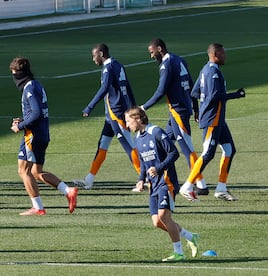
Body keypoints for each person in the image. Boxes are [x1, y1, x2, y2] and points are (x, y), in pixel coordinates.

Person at [125, 106, 199, 262]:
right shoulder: (137, 138)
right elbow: (145, 163)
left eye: (128, 121)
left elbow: (174, 153)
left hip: (166, 181)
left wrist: (158, 168)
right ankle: (190, 236)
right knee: (157, 222)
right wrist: (141, 179)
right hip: (153, 184)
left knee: (164, 216)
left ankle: (178, 253)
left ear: (138, 118)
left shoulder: (156, 132)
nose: (127, 125)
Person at [9, 56, 78, 216]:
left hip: (32, 135)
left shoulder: (29, 88)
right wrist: (24, 119)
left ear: (19, 73)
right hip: (43, 133)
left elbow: (36, 113)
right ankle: (68, 191)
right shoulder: (36, 84)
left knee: (23, 171)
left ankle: (38, 207)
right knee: (36, 171)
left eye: (14, 74)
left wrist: (20, 125)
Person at [138, 38, 208, 195]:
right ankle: (159, 178)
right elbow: (190, 84)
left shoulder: (166, 64)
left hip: (178, 111)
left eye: (152, 52)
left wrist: (144, 107)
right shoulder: (179, 59)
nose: (151, 56)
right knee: (164, 142)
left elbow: (161, 90)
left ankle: (201, 184)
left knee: (187, 147)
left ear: (160, 49)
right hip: (180, 110)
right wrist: (195, 107)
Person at [179, 43, 245, 202]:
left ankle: (221, 188)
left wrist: (197, 111)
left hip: (218, 118)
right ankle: (187, 186)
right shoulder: (212, 72)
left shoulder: (205, 70)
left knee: (229, 149)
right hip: (213, 118)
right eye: (223, 54)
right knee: (208, 153)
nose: (225, 56)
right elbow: (214, 96)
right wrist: (235, 95)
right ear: (215, 54)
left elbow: (195, 92)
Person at [73, 43, 140, 189]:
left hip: (117, 114)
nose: (93, 59)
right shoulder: (117, 64)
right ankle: (89, 180)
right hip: (111, 116)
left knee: (129, 146)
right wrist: (134, 107)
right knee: (102, 145)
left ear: (101, 54)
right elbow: (128, 87)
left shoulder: (108, 68)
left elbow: (104, 89)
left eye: (94, 56)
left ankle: (145, 179)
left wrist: (89, 106)